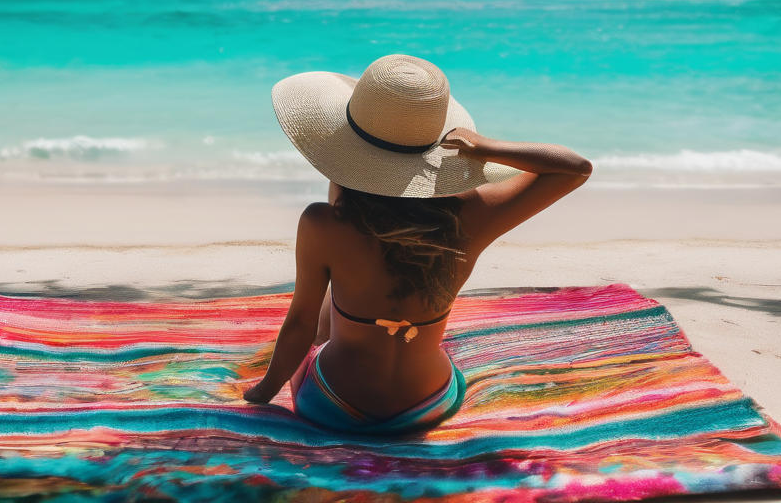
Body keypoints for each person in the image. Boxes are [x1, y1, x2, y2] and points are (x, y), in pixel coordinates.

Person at [242, 54, 592, 435]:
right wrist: (484, 147)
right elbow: (575, 168)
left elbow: (300, 326)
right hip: (428, 403)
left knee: (327, 302)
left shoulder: (323, 224)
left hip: (334, 405)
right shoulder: (473, 214)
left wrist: (263, 393)